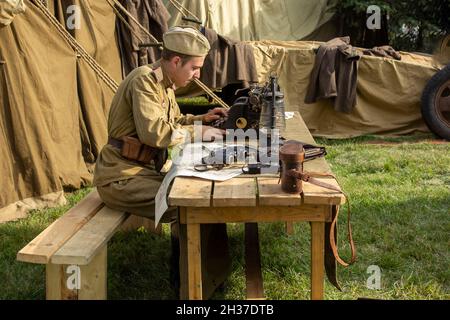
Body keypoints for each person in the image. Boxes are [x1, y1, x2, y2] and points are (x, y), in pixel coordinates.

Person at [93, 26, 231, 298]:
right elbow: (154, 133)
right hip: (121, 177)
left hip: (142, 172)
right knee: (190, 204)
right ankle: (191, 286)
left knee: (204, 197)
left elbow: (172, 121)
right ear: (176, 61)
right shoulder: (144, 81)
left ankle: (208, 280)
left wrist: (203, 118)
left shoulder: (164, 84)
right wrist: (198, 132)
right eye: (195, 68)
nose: (197, 75)